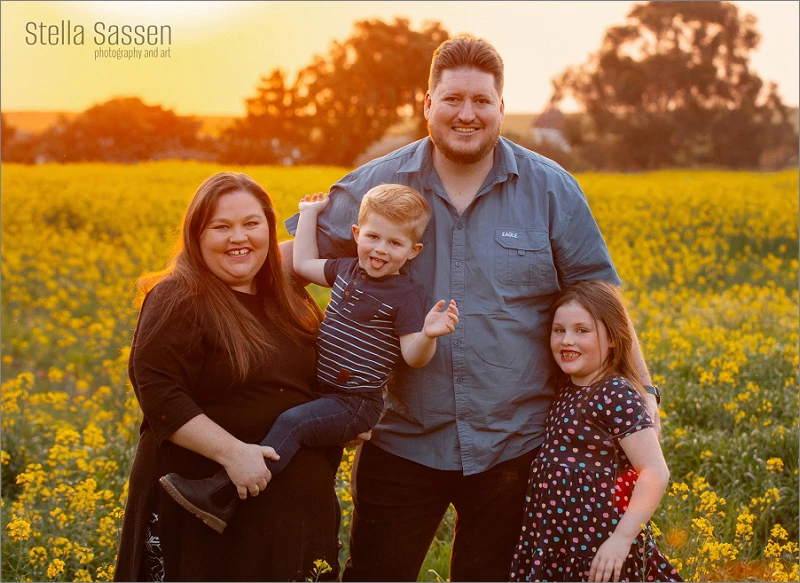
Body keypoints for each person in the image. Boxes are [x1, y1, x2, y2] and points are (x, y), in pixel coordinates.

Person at [282, 35, 662, 582]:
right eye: (453, 99)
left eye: (482, 100)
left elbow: (601, 301)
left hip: (517, 447)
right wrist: (193, 280)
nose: (467, 114)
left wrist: (642, 394)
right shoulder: (378, 184)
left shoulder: (550, 189)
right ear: (428, 104)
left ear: (501, 107)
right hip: (400, 440)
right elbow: (295, 260)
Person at [158, 184, 459, 534]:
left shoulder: (405, 295)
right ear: (356, 234)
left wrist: (428, 335)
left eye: (394, 243)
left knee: (293, 424)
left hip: (354, 401)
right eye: (373, 237)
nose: (380, 249)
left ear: (413, 251)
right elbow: (301, 263)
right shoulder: (346, 270)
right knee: (296, 433)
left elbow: (413, 357)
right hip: (323, 391)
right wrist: (308, 215)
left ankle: (221, 493)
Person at [114, 172, 340, 582]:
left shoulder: (288, 297)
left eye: (252, 223)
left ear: (269, 229)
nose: (239, 238)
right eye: (221, 227)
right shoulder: (178, 296)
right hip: (203, 521)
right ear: (196, 235)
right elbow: (159, 393)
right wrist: (233, 453)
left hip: (290, 521)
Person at [510, 280, 680, 582]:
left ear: (612, 337)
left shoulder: (615, 393)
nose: (567, 341)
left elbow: (655, 471)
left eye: (582, 330)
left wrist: (622, 539)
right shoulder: (566, 389)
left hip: (602, 550)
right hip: (558, 546)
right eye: (559, 330)